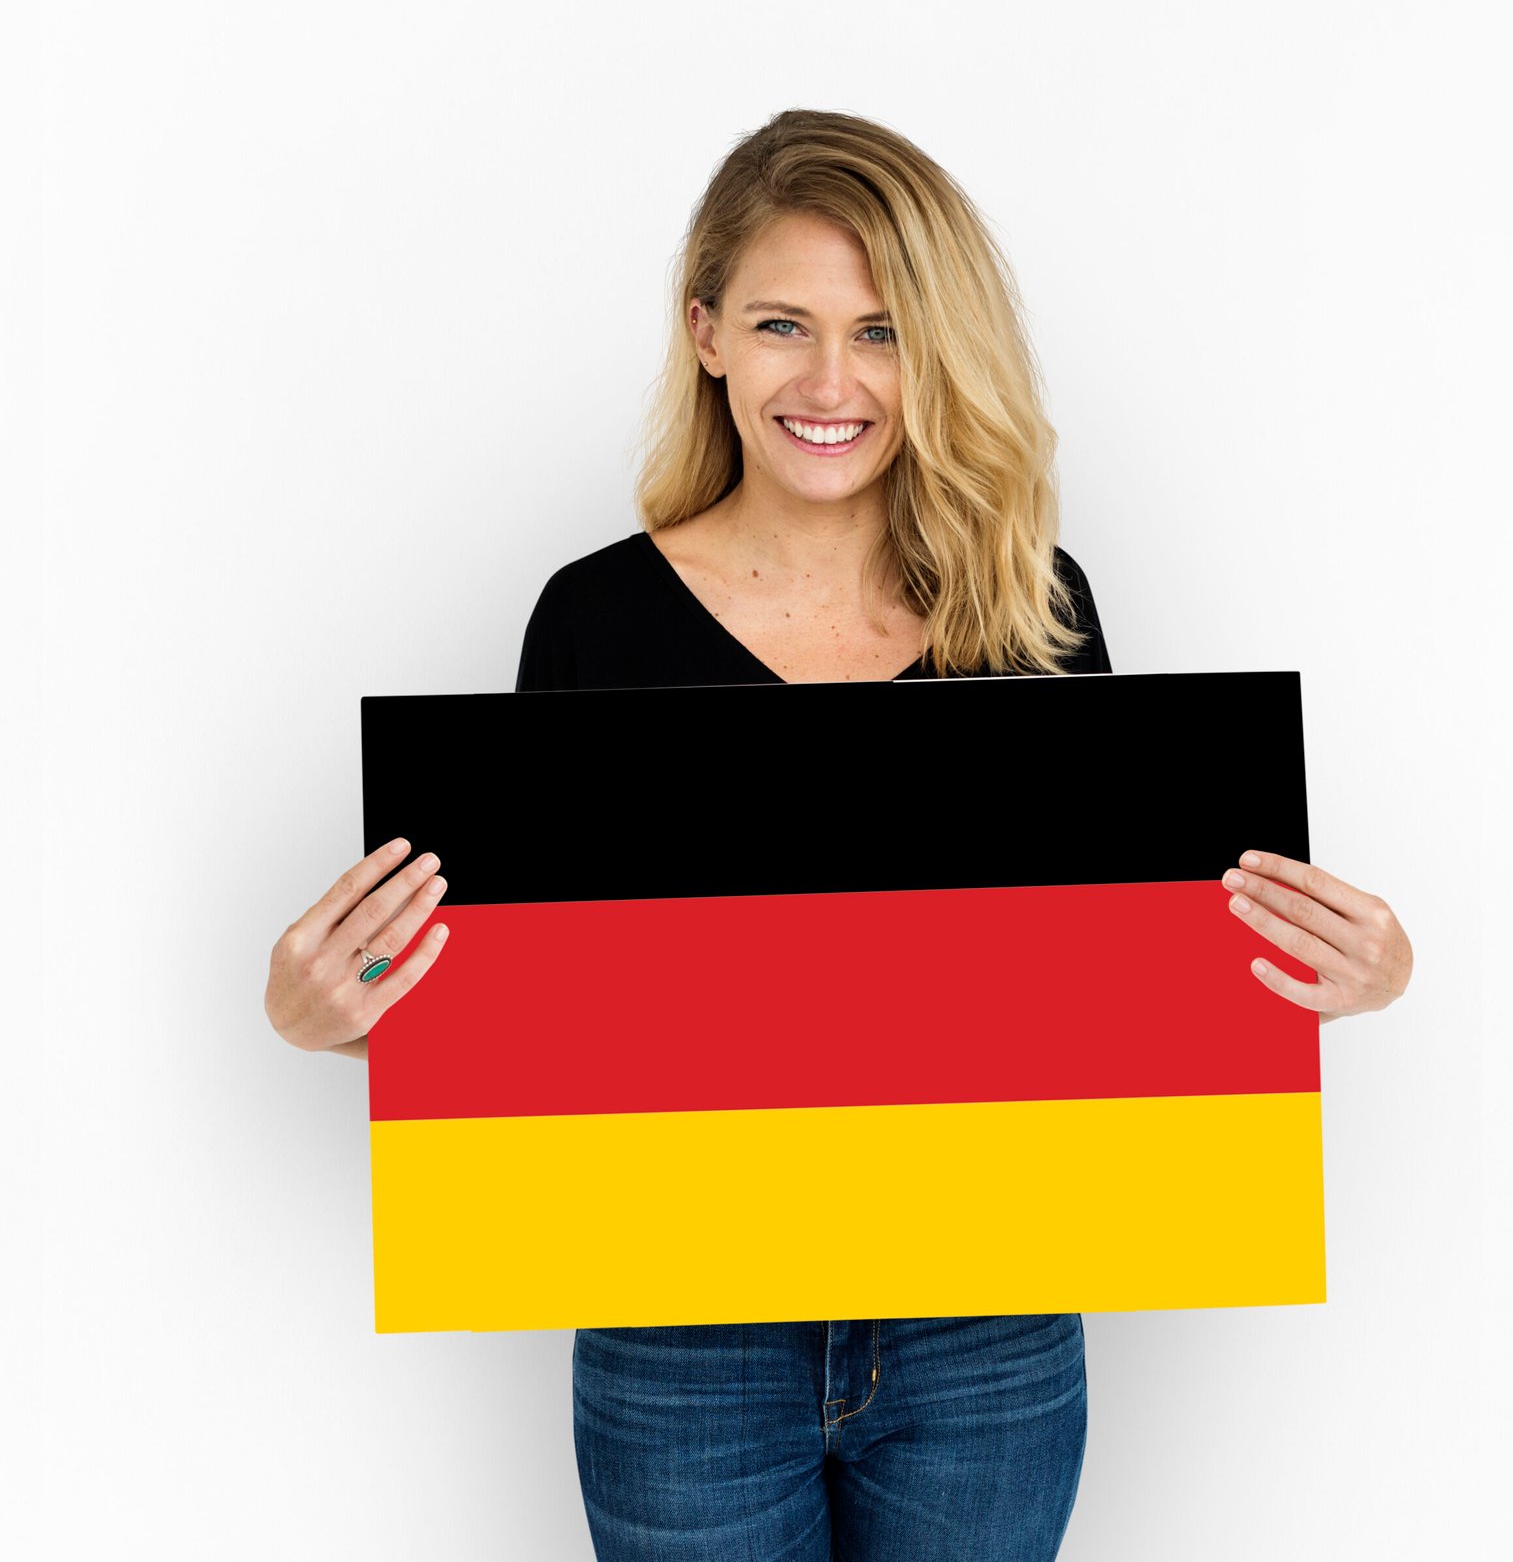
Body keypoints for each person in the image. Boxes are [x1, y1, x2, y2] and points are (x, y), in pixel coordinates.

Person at [264, 109, 1415, 1560]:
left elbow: (1134, 983)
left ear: (935, 351)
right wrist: (334, 1011)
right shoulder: (593, 621)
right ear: (706, 335)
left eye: (879, 332)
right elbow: (517, 1005)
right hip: (681, 1345)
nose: (829, 381)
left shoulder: (1034, 613)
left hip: (985, 1338)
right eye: (781, 325)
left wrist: (1361, 970)